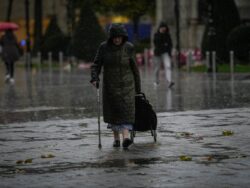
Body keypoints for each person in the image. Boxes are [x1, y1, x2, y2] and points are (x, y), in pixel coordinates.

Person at [90, 23, 141, 148]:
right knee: (113, 113)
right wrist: (94, 78)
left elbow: (135, 69)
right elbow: (96, 65)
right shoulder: (104, 47)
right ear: (111, 37)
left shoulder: (129, 47)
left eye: (119, 37)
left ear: (123, 36)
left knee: (126, 112)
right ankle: (116, 139)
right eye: (114, 37)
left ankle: (126, 138)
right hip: (110, 86)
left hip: (127, 86)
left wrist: (138, 90)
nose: (117, 39)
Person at [153, 22, 174, 88]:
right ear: (160, 28)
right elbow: (157, 43)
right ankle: (156, 81)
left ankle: (169, 81)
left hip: (165, 53)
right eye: (162, 27)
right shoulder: (156, 35)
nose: (163, 29)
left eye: (164, 27)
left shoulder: (167, 35)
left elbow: (170, 45)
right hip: (158, 54)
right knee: (157, 68)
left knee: (168, 66)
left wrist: (169, 53)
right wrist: (164, 44)